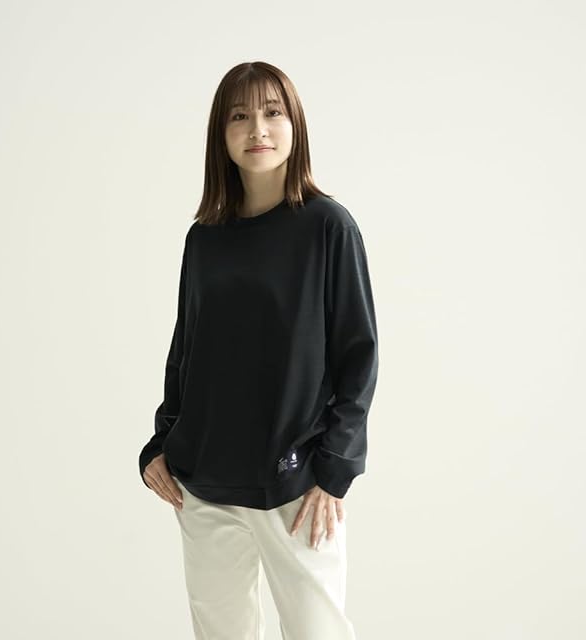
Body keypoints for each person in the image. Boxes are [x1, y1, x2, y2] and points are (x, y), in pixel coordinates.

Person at [138, 60, 379, 640]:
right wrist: (160, 442)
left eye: (273, 113)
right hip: (205, 484)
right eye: (239, 116)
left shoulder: (328, 227)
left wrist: (335, 468)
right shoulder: (205, 238)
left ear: (295, 125)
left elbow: (359, 354)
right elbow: (187, 349)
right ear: (220, 134)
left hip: (297, 485)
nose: (257, 130)